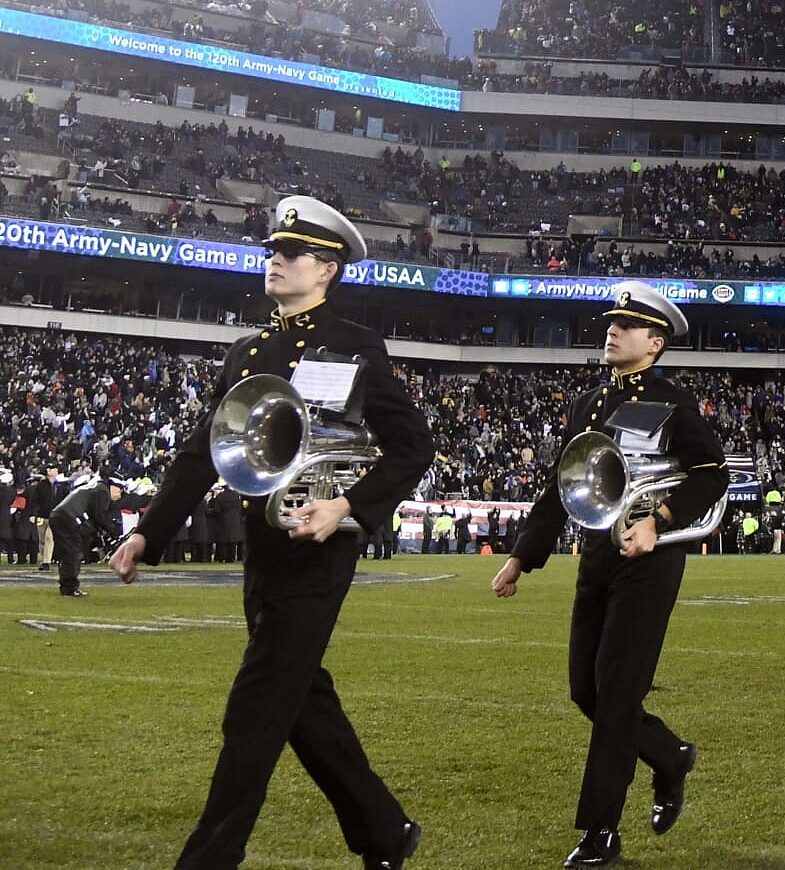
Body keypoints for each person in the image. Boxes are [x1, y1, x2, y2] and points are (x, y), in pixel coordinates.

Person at [107, 197, 433, 870]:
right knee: (302, 700)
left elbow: (411, 448)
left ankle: (208, 860)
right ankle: (385, 830)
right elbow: (205, 451)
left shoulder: (353, 344)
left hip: (319, 549)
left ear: (328, 268)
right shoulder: (247, 350)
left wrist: (345, 508)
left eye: (291, 254)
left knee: (254, 711)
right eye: (272, 251)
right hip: (265, 547)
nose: (274, 261)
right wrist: (149, 533)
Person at [492, 282, 728, 868]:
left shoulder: (674, 400)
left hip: (650, 557)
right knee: (585, 690)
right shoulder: (590, 404)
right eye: (611, 322)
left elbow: (711, 475)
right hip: (598, 553)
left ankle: (600, 832)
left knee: (619, 692)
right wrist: (524, 554)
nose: (611, 330)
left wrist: (661, 518)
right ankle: (669, 757)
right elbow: (561, 487)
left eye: (626, 325)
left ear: (655, 343)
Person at [49, 465, 116, 597]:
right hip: (67, 517)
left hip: (60, 515)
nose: (120, 493)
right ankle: (69, 587)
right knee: (73, 552)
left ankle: (67, 585)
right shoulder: (101, 491)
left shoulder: (93, 487)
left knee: (68, 553)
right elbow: (98, 515)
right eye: (119, 489)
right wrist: (111, 530)